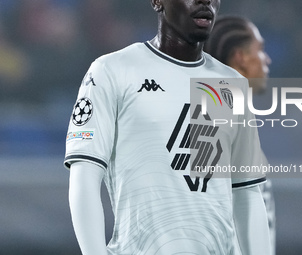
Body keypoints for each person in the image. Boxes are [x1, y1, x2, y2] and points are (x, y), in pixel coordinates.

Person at [65, 1, 271, 254]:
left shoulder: (231, 83)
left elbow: (247, 192)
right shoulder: (112, 71)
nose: (206, 1)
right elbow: (84, 175)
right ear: (157, 2)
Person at [204, 15, 275, 254]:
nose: (267, 59)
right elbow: (208, 208)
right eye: (260, 49)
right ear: (240, 57)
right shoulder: (215, 113)